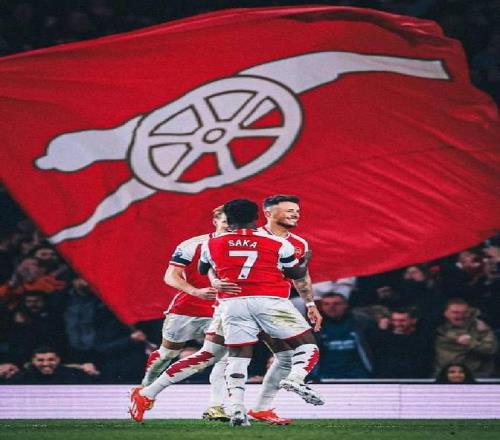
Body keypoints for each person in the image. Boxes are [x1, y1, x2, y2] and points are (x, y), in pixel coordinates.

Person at [130, 195, 322, 425]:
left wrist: (310, 304)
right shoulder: (281, 244)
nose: (294, 214)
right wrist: (304, 263)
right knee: (300, 349)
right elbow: (297, 273)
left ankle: (243, 408)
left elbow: (204, 268)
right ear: (263, 215)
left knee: (235, 356)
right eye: (288, 210)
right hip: (268, 304)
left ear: (229, 220)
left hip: (232, 305)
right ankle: (292, 382)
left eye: (295, 210)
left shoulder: (211, 243)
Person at [132, 206, 229, 421]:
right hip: (188, 309)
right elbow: (171, 275)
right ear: (215, 222)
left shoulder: (245, 246)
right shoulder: (193, 245)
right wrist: (195, 291)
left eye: (233, 223)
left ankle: (215, 406)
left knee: (224, 357)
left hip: (223, 310)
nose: (229, 227)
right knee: (167, 354)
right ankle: (144, 389)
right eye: (225, 222)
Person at [315, 293, 374, 379]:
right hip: (325, 377)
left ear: (346, 305)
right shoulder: (315, 328)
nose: (331, 307)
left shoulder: (361, 323)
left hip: (359, 377)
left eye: (336, 304)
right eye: (326, 304)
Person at [434, 298, 498, 378]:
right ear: (445, 313)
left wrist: (471, 342)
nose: (461, 316)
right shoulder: (436, 328)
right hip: (444, 377)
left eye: (465, 312)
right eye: (455, 312)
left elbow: (491, 349)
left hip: (477, 377)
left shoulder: (481, 328)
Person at [370, 308, 433, 378]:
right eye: (394, 320)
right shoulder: (383, 335)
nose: (397, 324)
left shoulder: (421, 339)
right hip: (386, 378)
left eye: (402, 321)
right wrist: (381, 331)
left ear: (413, 320)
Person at [8, 346, 95, 384]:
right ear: (33, 361)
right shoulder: (21, 378)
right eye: (40, 360)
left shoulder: (74, 375)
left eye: (51, 360)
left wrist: (95, 373)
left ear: (58, 360)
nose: (46, 364)